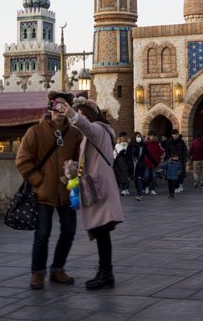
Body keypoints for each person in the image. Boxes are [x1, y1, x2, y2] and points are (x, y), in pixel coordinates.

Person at [52, 96, 123, 290]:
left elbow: (86, 126)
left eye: (82, 115)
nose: (78, 120)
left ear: (89, 115)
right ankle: (104, 272)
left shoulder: (98, 129)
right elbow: (90, 160)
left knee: (102, 231)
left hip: (100, 188)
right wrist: (74, 169)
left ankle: (106, 274)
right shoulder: (96, 135)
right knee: (101, 231)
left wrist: (72, 113)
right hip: (97, 185)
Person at [15, 90, 82, 290]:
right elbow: (22, 160)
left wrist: (74, 172)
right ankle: (37, 273)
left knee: (69, 231)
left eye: (64, 107)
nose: (60, 110)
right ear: (50, 107)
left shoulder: (75, 134)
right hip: (43, 193)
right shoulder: (35, 132)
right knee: (43, 234)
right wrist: (39, 181)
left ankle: (57, 269)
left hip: (66, 191)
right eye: (57, 106)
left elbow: (81, 160)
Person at [127, 132, 156, 201]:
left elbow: (148, 155)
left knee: (139, 179)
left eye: (140, 136)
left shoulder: (143, 146)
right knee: (136, 180)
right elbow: (128, 156)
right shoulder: (131, 146)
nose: (139, 138)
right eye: (137, 136)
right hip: (133, 165)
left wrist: (154, 162)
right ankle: (139, 191)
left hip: (141, 165)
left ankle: (139, 194)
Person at [113, 132, 132, 196]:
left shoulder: (128, 145)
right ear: (120, 138)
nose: (125, 138)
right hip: (120, 163)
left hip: (128, 162)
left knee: (127, 175)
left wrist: (129, 144)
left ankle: (126, 189)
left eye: (125, 136)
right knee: (122, 176)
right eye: (123, 137)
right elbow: (115, 155)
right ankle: (123, 189)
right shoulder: (117, 145)